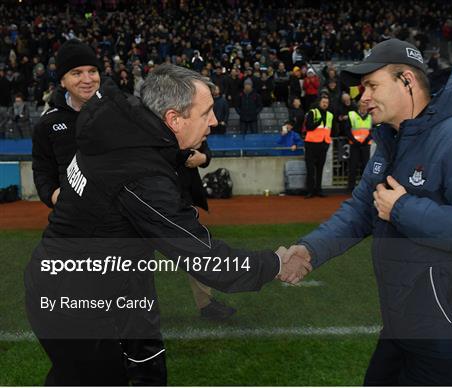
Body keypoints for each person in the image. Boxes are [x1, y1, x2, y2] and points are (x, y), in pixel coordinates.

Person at [25, 64, 311, 385]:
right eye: (206, 114)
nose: (214, 122)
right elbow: (207, 260)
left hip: (84, 286)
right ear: (174, 119)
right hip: (74, 304)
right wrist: (275, 263)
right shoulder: (141, 177)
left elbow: (143, 157)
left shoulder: (122, 123)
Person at [281, 39, 452, 385]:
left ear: (407, 81)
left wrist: (403, 209)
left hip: (451, 329)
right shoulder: (394, 140)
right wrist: (309, 250)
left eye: (372, 86)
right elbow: (360, 211)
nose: (363, 98)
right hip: (408, 321)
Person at [32, 39, 101, 208]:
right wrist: (56, 197)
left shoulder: (121, 110)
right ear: (62, 81)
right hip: (73, 220)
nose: (87, 79)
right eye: (77, 73)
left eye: (92, 71)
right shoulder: (47, 124)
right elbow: (42, 172)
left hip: (119, 220)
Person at [178, 141, 237, 320]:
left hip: (184, 198)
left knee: (198, 249)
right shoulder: (154, 125)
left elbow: (205, 150)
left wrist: (203, 157)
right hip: (153, 197)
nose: (211, 124)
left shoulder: (189, 123)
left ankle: (206, 304)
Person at [303, 95, 333, 198]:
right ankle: (309, 191)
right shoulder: (313, 112)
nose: (325, 104)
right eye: (323, 102)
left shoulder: (330, 115)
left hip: (323, 144)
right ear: (319, 102)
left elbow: (331, 130)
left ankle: (318, 190)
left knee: (320, 169)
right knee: (310, 169)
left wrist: (327, 143)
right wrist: (318, 122)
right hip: (311, 144)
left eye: (327, 103)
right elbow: (308, 127)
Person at [343, 99, 372, 192]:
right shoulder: (352, 115)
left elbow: (373, 130)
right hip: (354, 145)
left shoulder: (371, 117)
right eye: (362, 106)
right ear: (359, 107)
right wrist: (354, 140)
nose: (364, 108)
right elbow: (347, 130)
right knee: (353, 166)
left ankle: (364, 188)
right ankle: (350, 188)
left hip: (366, 145)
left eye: (365, 107)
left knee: (365, 167)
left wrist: (366, 140)